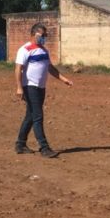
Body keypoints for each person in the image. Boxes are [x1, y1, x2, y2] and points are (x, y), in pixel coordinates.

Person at [15, 23, 73, 158]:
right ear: (34, 34)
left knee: (31, 115)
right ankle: (44, 148)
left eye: (46, 35)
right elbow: (18, 69)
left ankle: (20, 144)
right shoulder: (25, 49)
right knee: (38, 116)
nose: (45, 37)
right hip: (30, 86)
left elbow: (50, 68)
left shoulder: (44, 50)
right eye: (43, 35)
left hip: (41, 87)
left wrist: (64, 79)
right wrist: (19, 87)